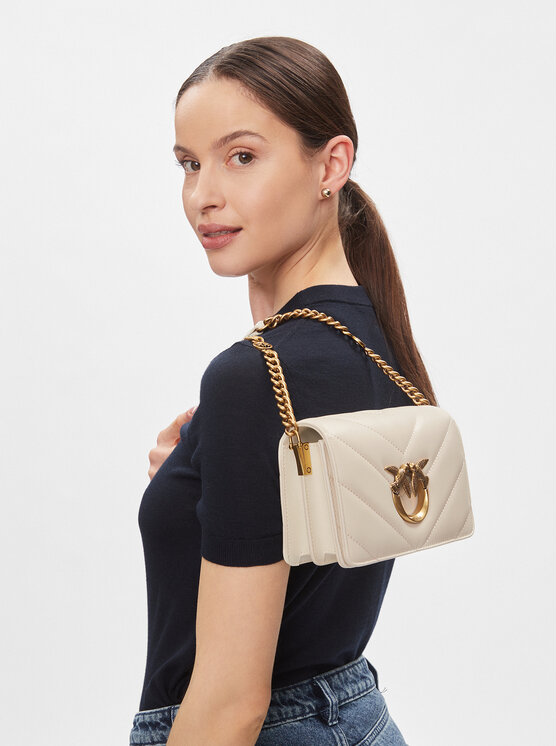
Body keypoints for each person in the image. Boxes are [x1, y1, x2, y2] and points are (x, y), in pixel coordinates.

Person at [129, 35, 437, 746]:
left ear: (331, 164)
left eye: (242, 156)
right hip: (356, 717)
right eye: (189, 164)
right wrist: (198, 479)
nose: (203, 195)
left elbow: (232, 705)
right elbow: (310, 541)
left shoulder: (253, 376)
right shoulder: (375, 336)